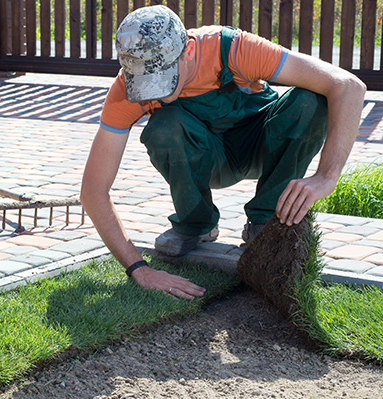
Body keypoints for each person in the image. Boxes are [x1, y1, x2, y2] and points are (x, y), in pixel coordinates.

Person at [80, 5, 366, 300]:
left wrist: (327, 176)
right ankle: (196, 224)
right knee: (164, 125)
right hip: (208, 159)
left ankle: (266, 222)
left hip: (261, 146)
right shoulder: (126, 90)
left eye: (165, 79)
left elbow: (348, 87)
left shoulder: (233, 48)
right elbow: (92, 190)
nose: (159, 93)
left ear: (188, 51)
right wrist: (140, 269)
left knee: (310, 100)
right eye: (147, 84)